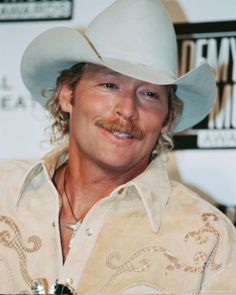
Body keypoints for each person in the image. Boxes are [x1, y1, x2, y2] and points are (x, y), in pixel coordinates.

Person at [1, 0, 236, 294]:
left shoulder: (209, 237)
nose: (127, 109)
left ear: (168, 118)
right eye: (109, 85)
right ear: (67, 94)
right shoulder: (3, 193)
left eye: (149, 93)